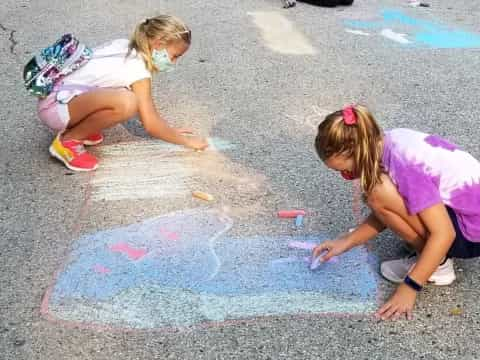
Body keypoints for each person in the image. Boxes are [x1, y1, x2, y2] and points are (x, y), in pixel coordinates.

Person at [312, 104, 480, 320]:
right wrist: (346, 241)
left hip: (471, 233)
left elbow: (445, 233)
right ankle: (430, 254)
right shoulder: (390, 141)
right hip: (469, 214)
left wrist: (410, 288)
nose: (345, 175)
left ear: (358, 151)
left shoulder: (404, 165)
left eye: (345, 170)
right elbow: (387, 211)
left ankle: (438, 266)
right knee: (380, 193)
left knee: (377, 191)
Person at [37, 15, 208, 171]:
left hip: (55, 98)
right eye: (175, 56)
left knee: (127, 96)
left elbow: (145, 109)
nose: (174, 62)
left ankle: (81, 127)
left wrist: (170, 130)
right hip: (55, 109)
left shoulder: (124, 45)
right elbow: (151, 123)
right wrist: (186, 141)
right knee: (127, 102)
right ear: (158, 44)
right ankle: (69, 141)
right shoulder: (138, 70)